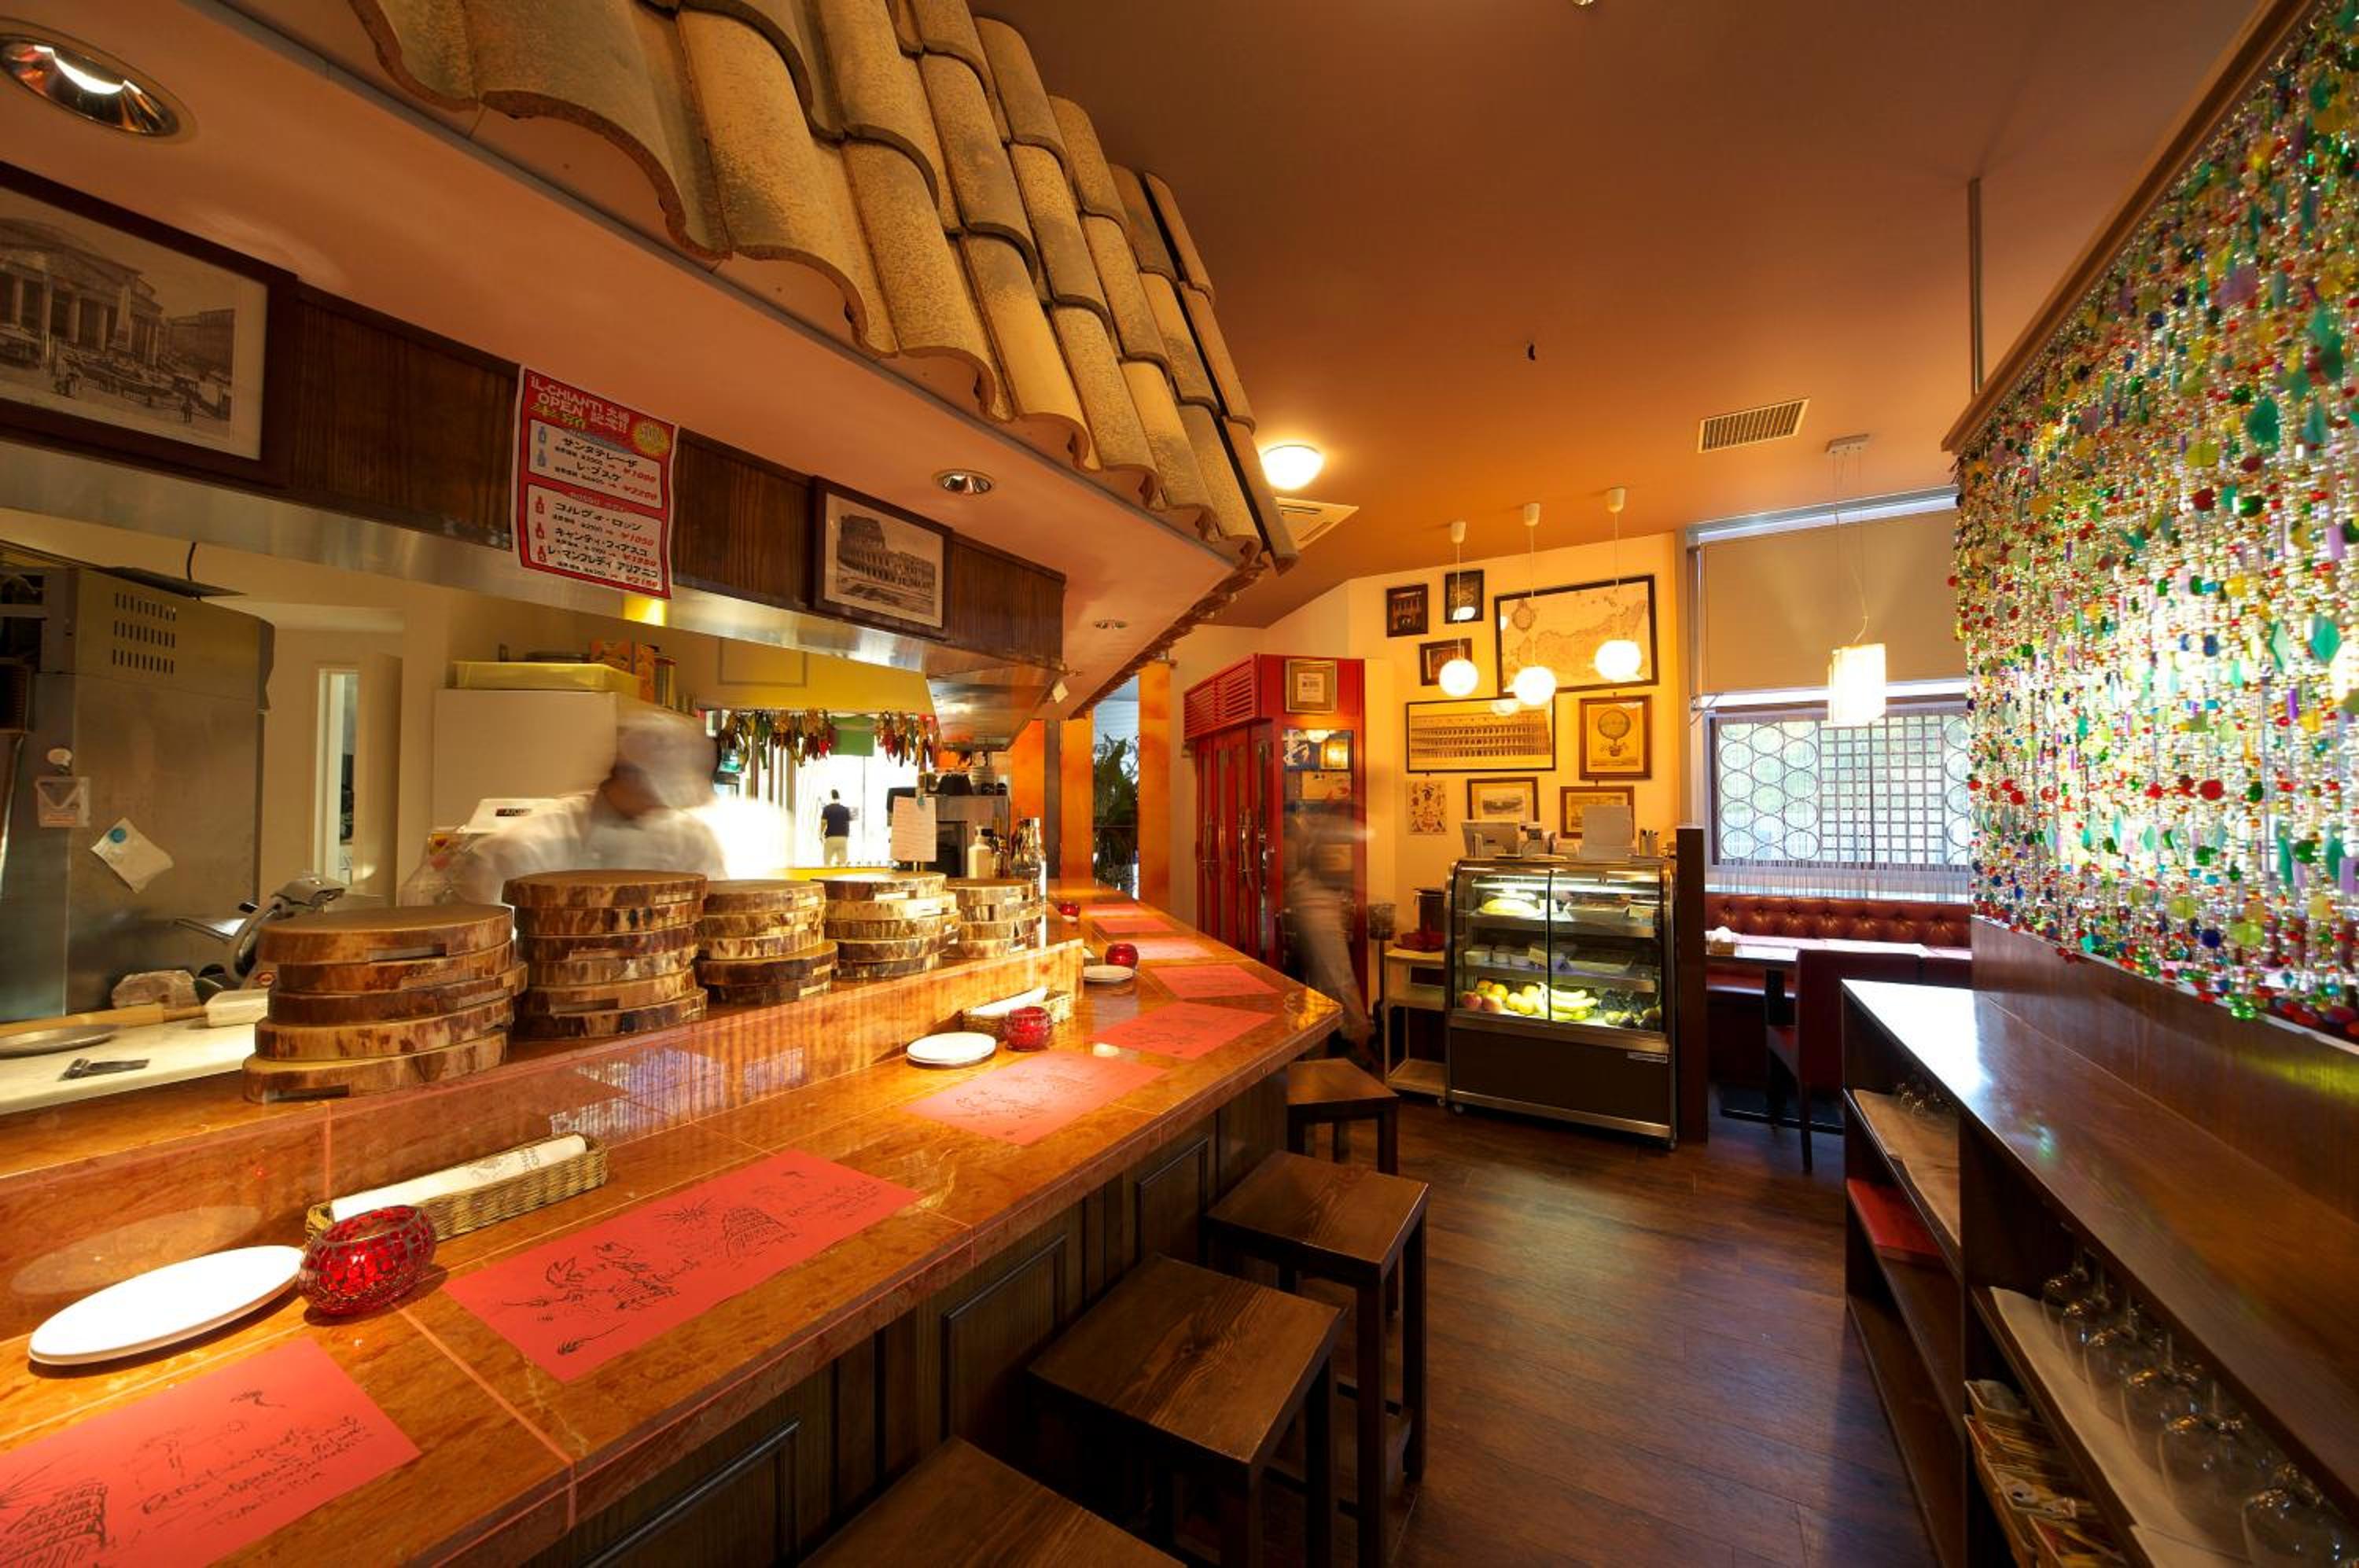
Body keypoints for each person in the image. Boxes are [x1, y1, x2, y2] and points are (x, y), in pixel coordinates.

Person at [447, 709, 727, 904]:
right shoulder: (531, 844)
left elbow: (715, 908)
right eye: (656, 795)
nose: (660, 809)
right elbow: (494, 938)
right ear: (625, 775)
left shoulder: (690, 839)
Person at [819, 790, 852, 866]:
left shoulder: (827, 809)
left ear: (830, 797)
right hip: (843, 838)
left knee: (827, 862)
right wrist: (847, 836)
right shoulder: (845, 810)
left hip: (831, 838)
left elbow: (823, 823)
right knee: (843, 863)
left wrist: (820, 835)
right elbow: (847, 824)